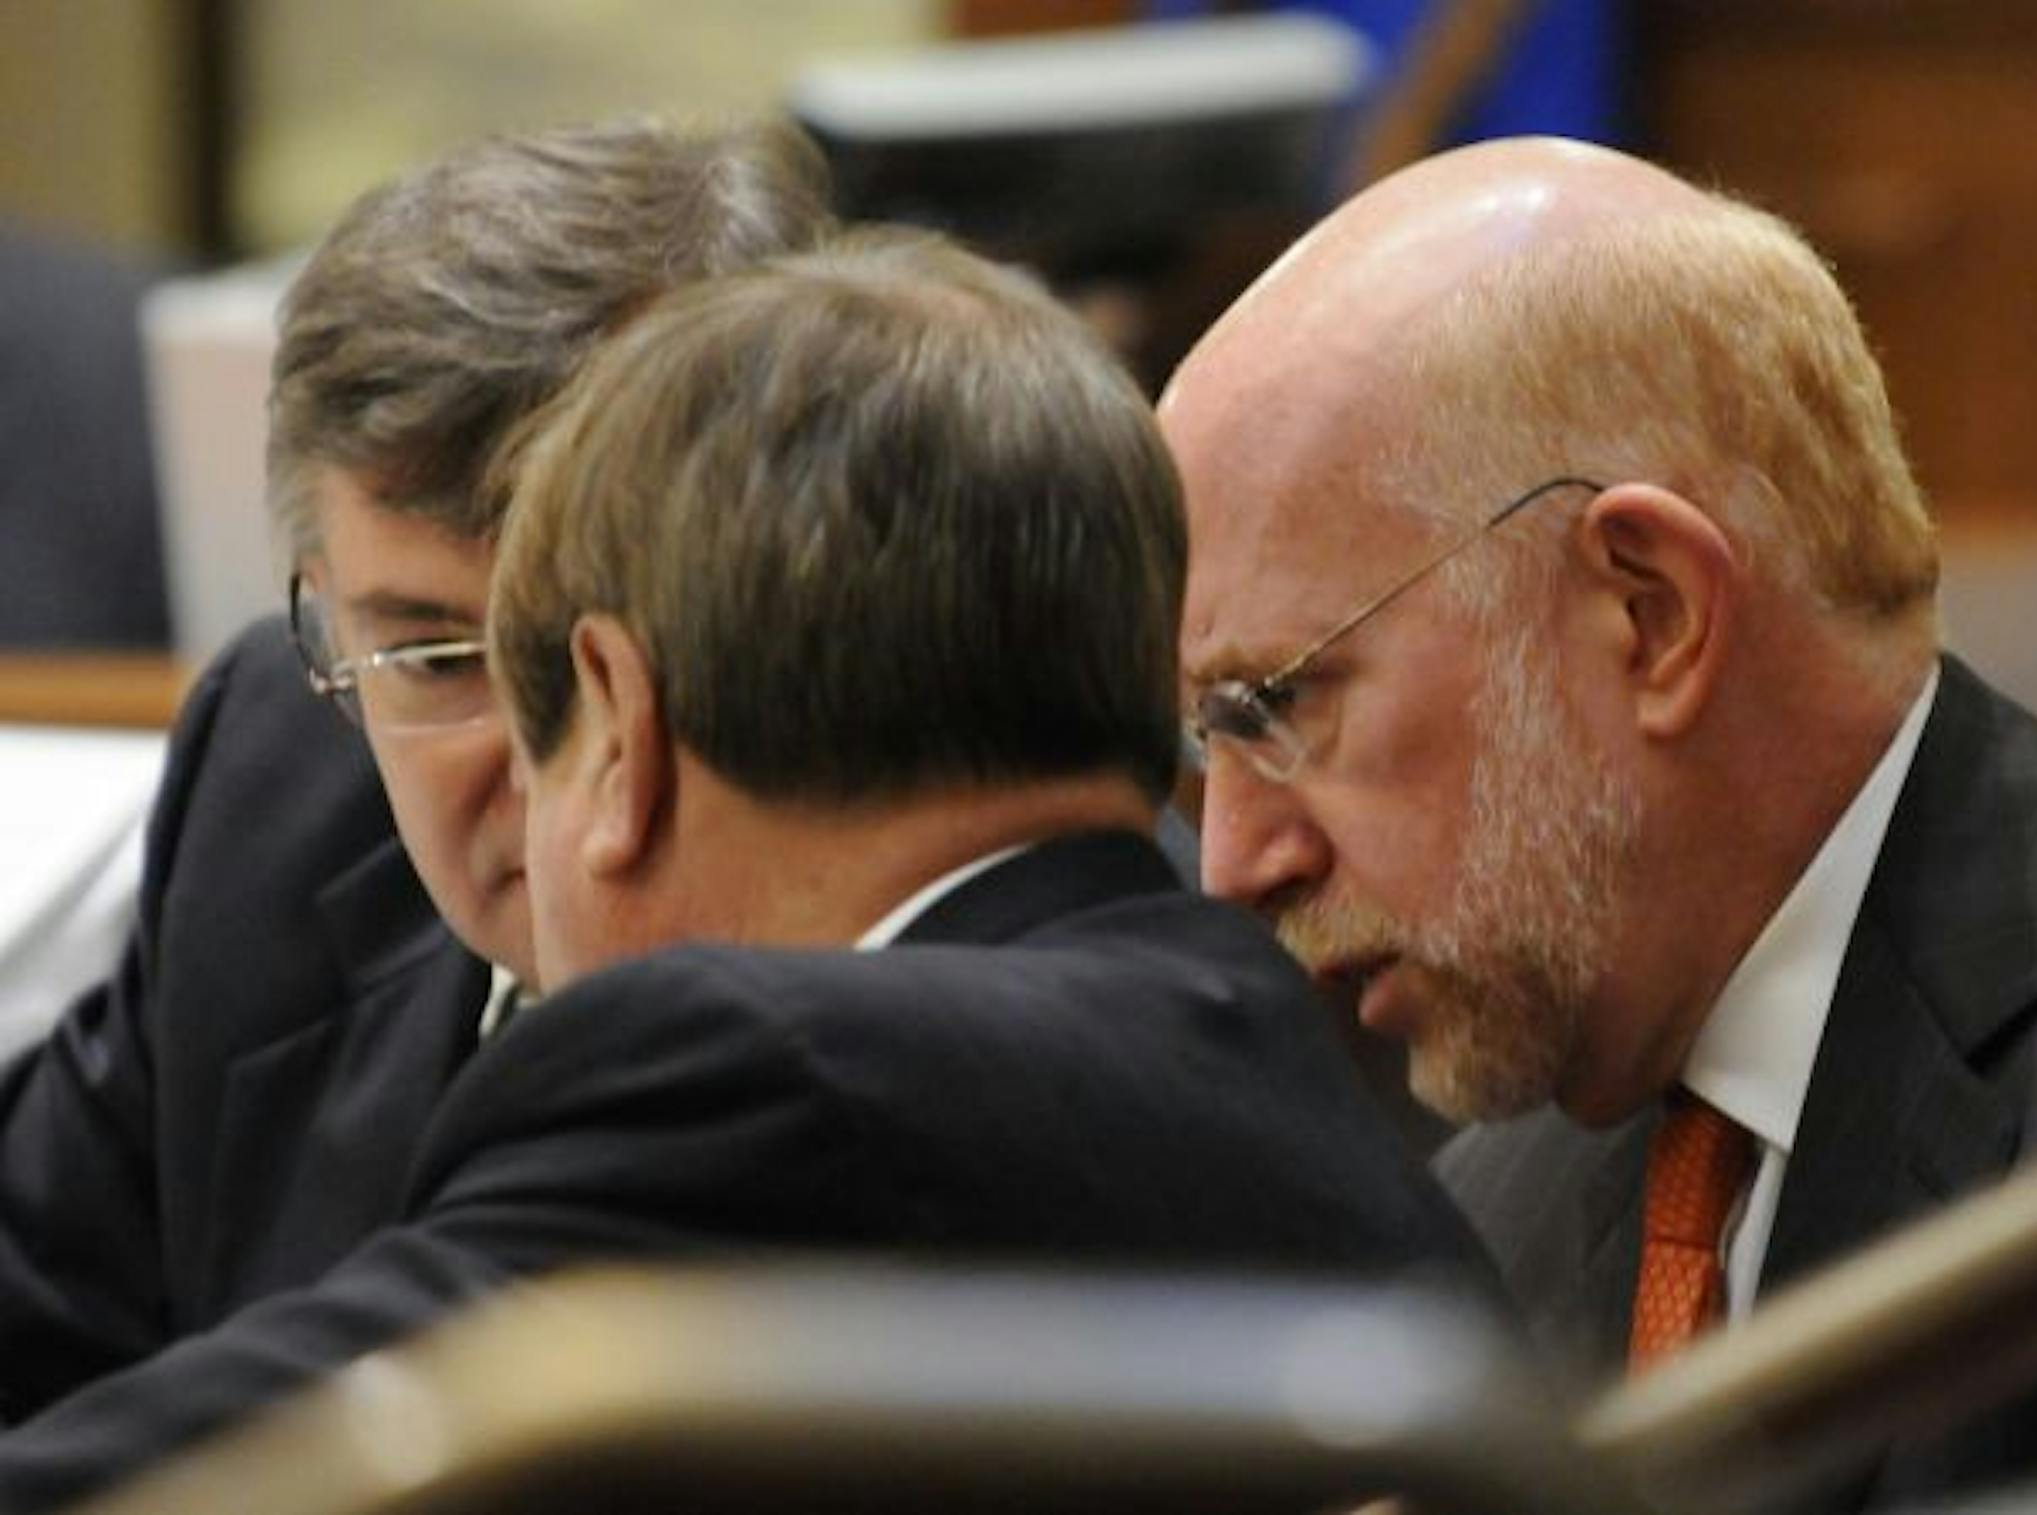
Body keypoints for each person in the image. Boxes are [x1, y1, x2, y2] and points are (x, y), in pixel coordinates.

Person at [0, 226, 1498, 1512]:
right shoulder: (1263, 1040)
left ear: (623, 727)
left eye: (527, 711)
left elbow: (231, 1475)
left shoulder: (777, 1073)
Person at [1164, 135, 2037, 1506]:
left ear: (1651, 616)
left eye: (1278, 706)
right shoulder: (1493, 1233)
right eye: (1205, 745)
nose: (1233, 859)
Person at [0, 117, 834, 1424]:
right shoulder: (284, 796)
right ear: (325, 614)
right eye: (437, 660)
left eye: (606, 643)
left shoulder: (988, 935)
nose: (558, 765)